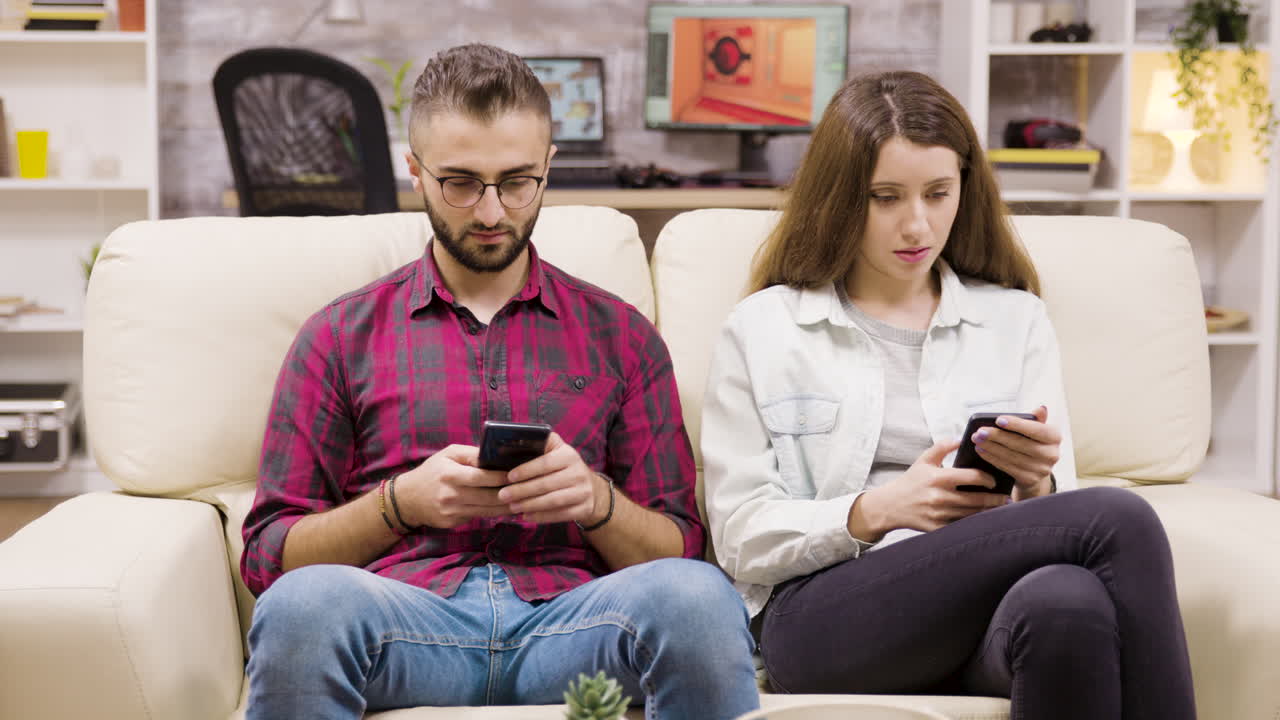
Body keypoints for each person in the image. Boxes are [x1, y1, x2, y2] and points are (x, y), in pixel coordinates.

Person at [240, 43, 759, 720]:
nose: (490, 213)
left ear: (548, 169)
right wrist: (400, 504)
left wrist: (595, 501)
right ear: (416, 174)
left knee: (697, 598)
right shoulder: (340, 335)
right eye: (460, 183)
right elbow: (268, 558)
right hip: (404, 628)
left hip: (575, 629)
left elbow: (681, 547)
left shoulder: (621, 334)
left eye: (517, 182)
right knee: (300, 608)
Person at [701, 70, 1196, 720]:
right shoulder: (765, 327)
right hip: (822, 619)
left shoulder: (1015, 320)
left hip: (978, 609)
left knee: (1067, 604)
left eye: (939, 193)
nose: (917, 224)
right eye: (886, 198)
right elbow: (738, 537)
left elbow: (1059, 510)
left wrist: (1033, 488)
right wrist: (876, 510)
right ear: (841, 198)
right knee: (1119, 520)